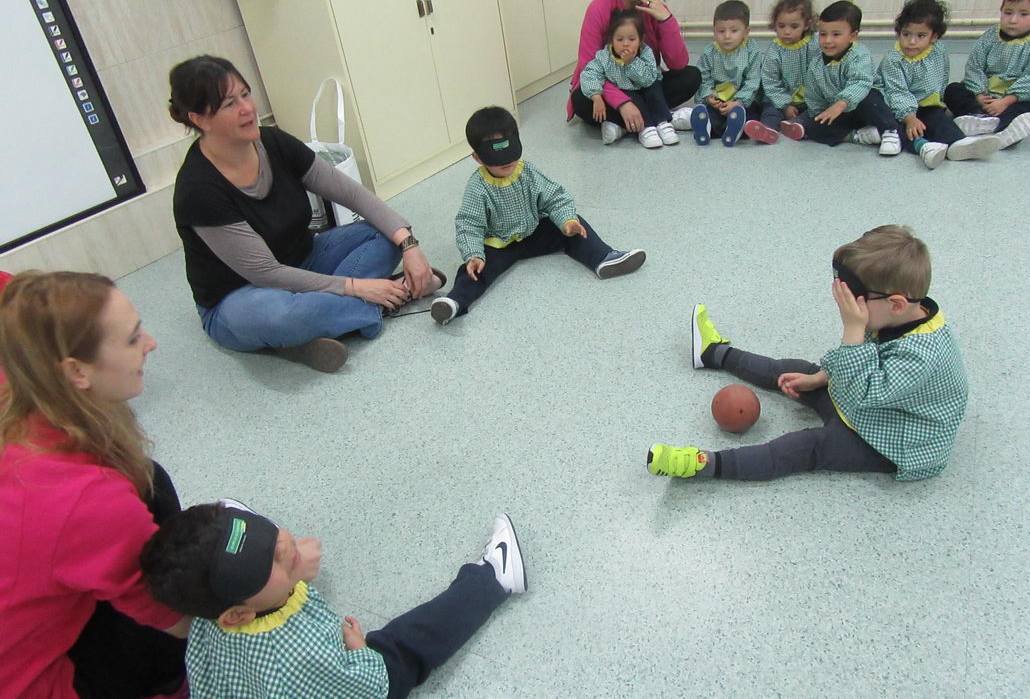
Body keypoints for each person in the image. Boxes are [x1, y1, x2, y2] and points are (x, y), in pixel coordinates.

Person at [169, 55, 445, 373]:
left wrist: (408, 244)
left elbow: (351, 193)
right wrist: (357, 286)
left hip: (306, 259)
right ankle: (383, 302)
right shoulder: (200, 190)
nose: (247, 108)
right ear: (200, 119)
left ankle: (316, 330)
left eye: (246, 94)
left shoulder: (273, 142)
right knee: (283, 317)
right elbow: (266, 274)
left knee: (382, 235)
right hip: (243, 296)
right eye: (230, 104)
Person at [646, 226, 968, 483]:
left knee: (806, 447)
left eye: (853, 302)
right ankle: (713, 353)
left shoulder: (923, 356)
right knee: (798, 369)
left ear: (895, 303)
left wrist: (853, 331)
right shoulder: (899, 314)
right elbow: (864, 361)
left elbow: (864, 395)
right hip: (873, 403)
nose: (846, 309)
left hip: (893, 442)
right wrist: (820, 377)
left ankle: (704, 464)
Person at [0, 271, 190, 699]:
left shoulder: (23, 403)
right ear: (76, 371)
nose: (152, 343)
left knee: (150, 480)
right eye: (131, 338)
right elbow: (171, 615)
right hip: (36, 681)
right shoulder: (87, 499)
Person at [140, 500, 527, 698]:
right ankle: (494, 579)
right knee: (400, 649)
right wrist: (360, 653)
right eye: (272, 560)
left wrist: (288, 569)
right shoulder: (297, 655)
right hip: (357, 681)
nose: (288, 544)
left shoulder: (210, 620)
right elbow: (366, 687)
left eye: (274, 538)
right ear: (238, 614)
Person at [429, 107, 646, 325]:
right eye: (495, 155)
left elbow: (554, 197)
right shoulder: (478, 187)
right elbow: (469, 224)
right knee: (476, 271)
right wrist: (474, 254)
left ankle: (603, 258)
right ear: (477, 157)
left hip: (534, 231)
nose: (505, 160)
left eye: (509, 149)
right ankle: (455, 302)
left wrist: (566, 220)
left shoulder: (528, 172)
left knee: (575, 225)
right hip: (499, 244)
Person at [568, 0, 700, 136]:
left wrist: (667, 20)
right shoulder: (598, 8)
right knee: (581, 99)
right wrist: (623, 103)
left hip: (645, 83)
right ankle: (661, 117)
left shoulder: (655, 8)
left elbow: (678, 63)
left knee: (691, 76)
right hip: (610, 86)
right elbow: (588, 67)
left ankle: (622, 124)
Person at [877, 0, 1002, 170]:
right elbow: (896, 91)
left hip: (926, 102)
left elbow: (942, 76)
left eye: (921, 35)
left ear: (934, 36)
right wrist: (910, 117)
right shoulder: (894, 59)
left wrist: (938, 102)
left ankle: (958, 144)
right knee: (904, 128)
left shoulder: (939, 51)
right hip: (897, 107)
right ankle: (925, 148)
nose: (911, 41)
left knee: (938, 119)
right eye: (906, 34)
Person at [781, 0, 902, 155]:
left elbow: (861, 82)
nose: (828, 41)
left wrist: (841, 103)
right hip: (839, 113)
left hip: (863, 107)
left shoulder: (859, 55)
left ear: (853, 36)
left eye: (836, 34)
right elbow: (814, 93)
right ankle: (857, 136)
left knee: (870, 98)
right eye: (823, 34)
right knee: (813, 128)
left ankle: (889, 131)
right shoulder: (817, 63)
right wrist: (818, 114)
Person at [944, 0, 1030, 149]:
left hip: (1013, 99)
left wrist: (1006, 101)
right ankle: (979, 118)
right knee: (952, 90)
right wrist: (979, 95)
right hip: (984, 96)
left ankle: (1003, 131)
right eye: (1008, 12)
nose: (1013, 20)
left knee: (1023, 108)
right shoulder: (990, 36)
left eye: (1023, 14)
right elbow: (974, 66)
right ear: (1001, 9)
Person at [580, 9, 678, 147]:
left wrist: (631, 62)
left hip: (647, 85)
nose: (625, 44)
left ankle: (663, 123)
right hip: (626, 93)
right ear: (611, 40)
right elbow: (589, 73)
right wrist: (596, 96)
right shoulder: (604, 57)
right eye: (619, 39)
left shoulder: (645, 52)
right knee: (630, 96)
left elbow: (649, 79)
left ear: (640, 40)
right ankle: (646, 128)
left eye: (632, 39)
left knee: (654, 89)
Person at [684, 0, 763, 147]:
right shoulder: (710, 52)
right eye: (721, 31)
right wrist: (709, 96)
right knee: (710, 115)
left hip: (743, 102)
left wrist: (738, 102)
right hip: (718, 103)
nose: (727, 36)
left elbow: (753, 81)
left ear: (746, 32)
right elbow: (703, 77)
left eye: (734, 31)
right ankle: (707, 129)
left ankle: (734, 128)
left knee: (752, 118)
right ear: (714, 30)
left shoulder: (752, 51)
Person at [747, 0, 821, 144]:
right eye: (781, 26)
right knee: (770, 110)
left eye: (794, 26)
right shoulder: (775, 49)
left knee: (815, 111)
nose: (786, 32)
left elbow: (823, 73)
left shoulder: (815, 44)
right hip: (781, 97)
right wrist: (785, 104)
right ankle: (768, 129)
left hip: (810, 99)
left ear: (807, 24)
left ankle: (797, 125)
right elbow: (770, 81)